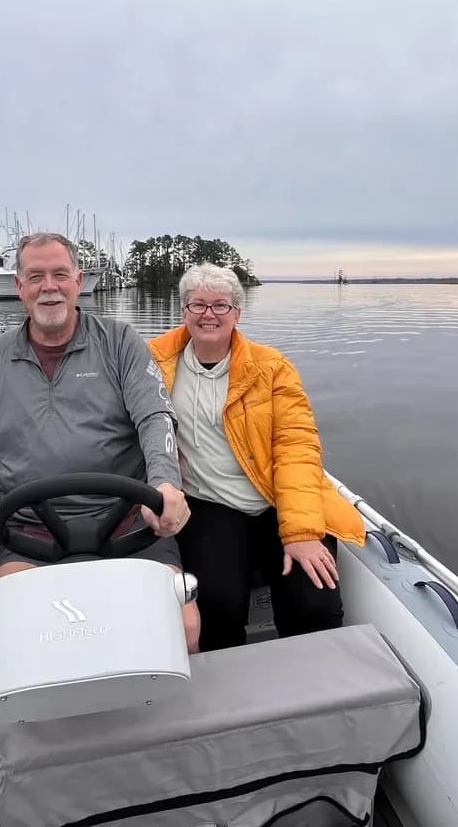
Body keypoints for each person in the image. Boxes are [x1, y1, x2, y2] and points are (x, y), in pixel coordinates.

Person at [0, 232, 200, 652]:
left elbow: (155, 417)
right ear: (19, 286)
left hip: (128, 523)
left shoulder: (120, 343)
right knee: (9, 635)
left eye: (60, 274)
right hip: (27, 530)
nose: (49, 286)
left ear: (78, 281)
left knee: (182, 628)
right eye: (36, 276)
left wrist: (166, 483)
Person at [148, 263, 366, 652]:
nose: (208, 314)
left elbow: (297, 447)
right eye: (197, 305)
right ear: (183, 311)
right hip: (209, 503)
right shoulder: (153, 361)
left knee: (315, 603)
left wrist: (300, 533)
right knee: (215, 605)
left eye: (220, 305)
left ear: (237, 313)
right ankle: (231, 697)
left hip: (276, 499)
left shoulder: (272, 368)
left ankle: (311, 687)